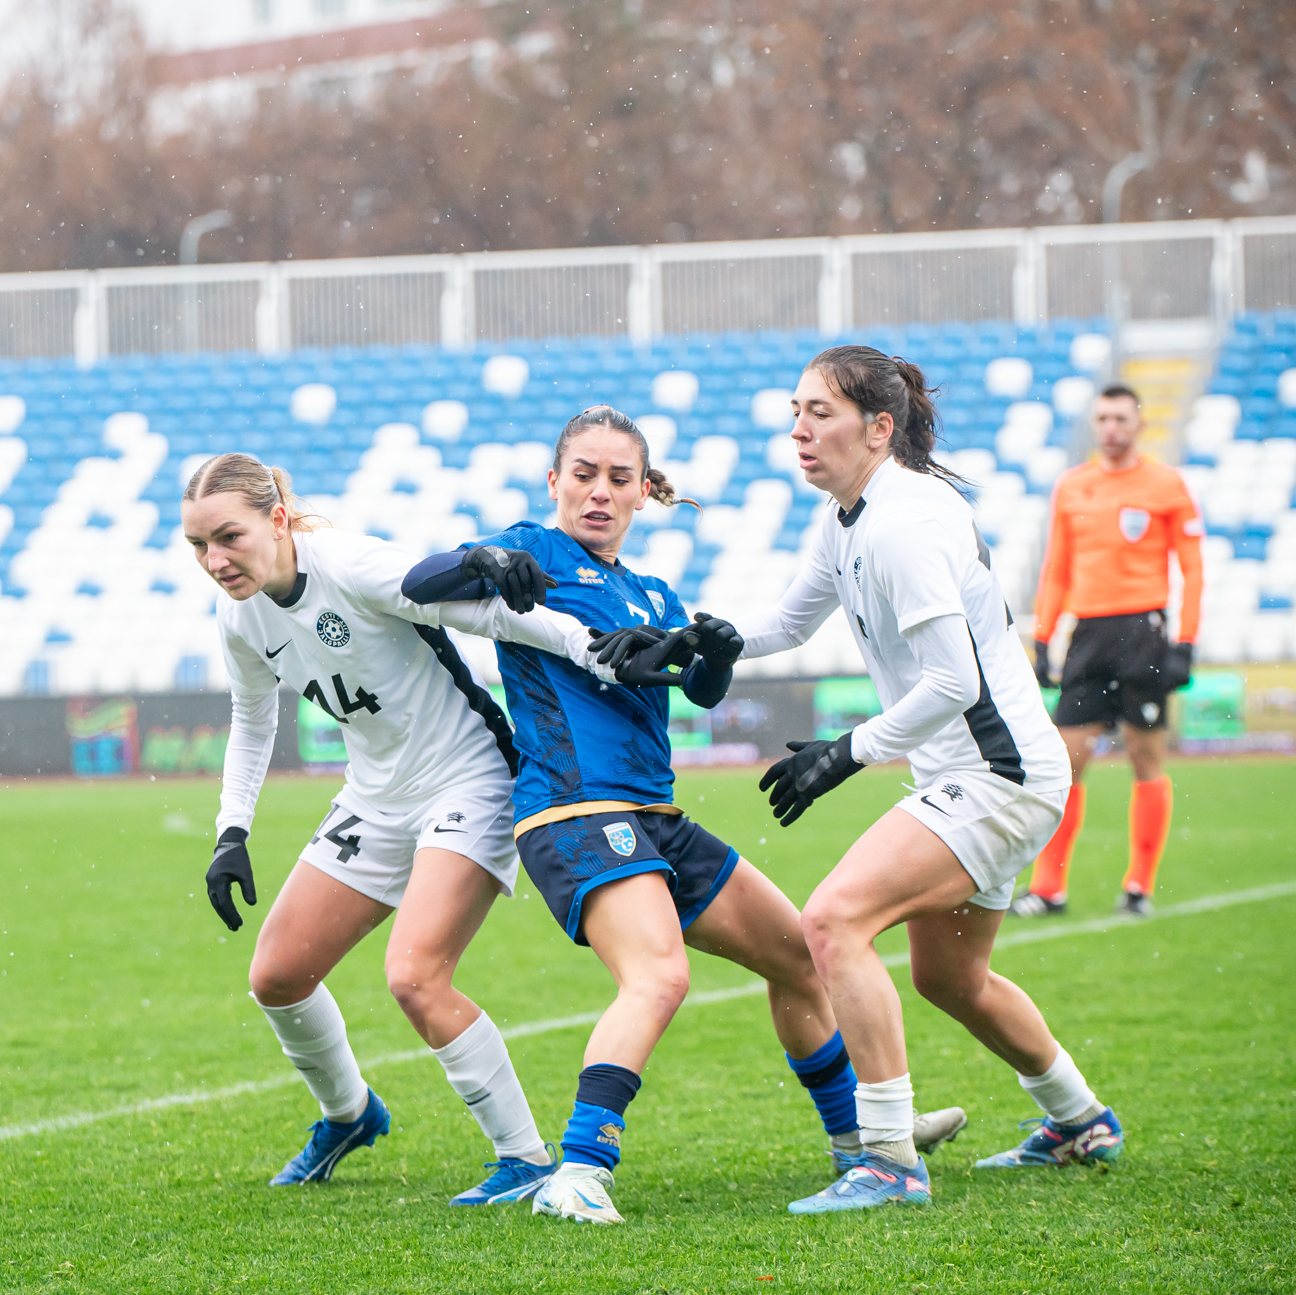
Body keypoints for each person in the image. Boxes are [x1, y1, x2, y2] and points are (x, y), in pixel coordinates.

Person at [400, 406, 963, 1225]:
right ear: (554, 481)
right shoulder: (531, 551)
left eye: (617, 479)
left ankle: (862, 1149)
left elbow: (692, 686)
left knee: (800, 957)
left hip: (655, 814)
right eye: (583, 474)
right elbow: (420, 586)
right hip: (573, 812)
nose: (598, 492)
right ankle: (581, 1169)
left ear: (641, 492)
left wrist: (715, 655)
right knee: (659, 975)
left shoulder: (652, 589)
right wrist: (479, 559)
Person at [186, 453, 635, 1205]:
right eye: (198, 544)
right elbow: (252, 718)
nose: (214, 559)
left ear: (276, 518)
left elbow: (486, 609)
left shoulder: (350, 564)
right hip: (375, 794)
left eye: (228, 536)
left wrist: (595, 650)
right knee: (276, 977)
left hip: (470, 777)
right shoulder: (239, 615)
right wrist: (232, 831)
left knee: (416, 974)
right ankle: (350, 1114)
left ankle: (524, 1158)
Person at [738, 346, 1124, 1214]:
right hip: (987, 775)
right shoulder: (849, 512)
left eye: (820, 413)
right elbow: (790, 623)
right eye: (795, 410)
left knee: (833, 921)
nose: (799, 430)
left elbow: (953, 681)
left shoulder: (905, 519)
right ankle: (1081, 1119)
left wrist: (845, 753)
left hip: (998, 776)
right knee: (951, 979)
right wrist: (699, 639)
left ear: (880, 428)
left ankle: (887, 1159)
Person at [1016, 384, 1204, 919]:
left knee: (1146, 760)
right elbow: (1058, 565)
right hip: (1089, 636)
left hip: (1144, 632)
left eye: (1120, 418)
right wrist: (1046, 636)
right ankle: (1049, 888)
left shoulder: (1166, 486)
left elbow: (1193, 569)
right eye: (1102, 418)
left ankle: (1138, 887)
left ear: (1138, 424)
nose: (1110, 428)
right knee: (1065, 761)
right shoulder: (1073, 487)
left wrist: (1185, 642)